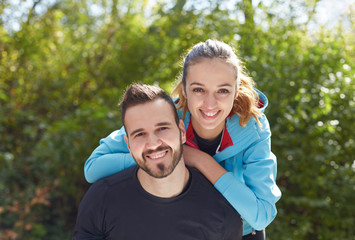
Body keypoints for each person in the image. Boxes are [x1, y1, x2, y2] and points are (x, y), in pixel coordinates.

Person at [84, 39, 281, 239]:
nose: (210, 103)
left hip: (241, 231)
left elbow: (261, 215)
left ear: (236, 90)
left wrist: (197, 159)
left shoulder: (254, 128)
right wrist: (154, 155)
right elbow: (93, 168)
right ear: (184, 89)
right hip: (186, 224)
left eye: (223, 90)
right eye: (198, 89)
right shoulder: (167, 116)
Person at [73, 84, 243, 239]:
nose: (153, 144)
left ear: (182, 132)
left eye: (162, 128)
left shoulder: (223, 213)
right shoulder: (101, 199)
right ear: (129, 146)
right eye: (140, 134)